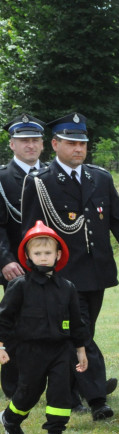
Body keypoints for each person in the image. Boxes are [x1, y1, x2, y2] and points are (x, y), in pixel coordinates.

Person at [20, 112, 119, 421]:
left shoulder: (100, 177)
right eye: (72, 143)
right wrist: (37, 273)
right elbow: (30, 231)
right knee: (81, 334)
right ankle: (97, 397)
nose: (78, 149)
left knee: (79, 335)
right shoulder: (40, 183)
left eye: (82, 144)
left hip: (97, 272)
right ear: (55, 144)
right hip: (62, 276)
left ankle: (70, 393)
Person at [0, 222, 88, 434]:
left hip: (61, 350)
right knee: (28, 393)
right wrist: (1, 346)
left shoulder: (67, 287)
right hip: (29, 351)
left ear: (58, 255)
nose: (42, 257)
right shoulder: (18, 286)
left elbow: (77, 322)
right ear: (27, 255)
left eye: (47, 253)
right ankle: (11, 419)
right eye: (37, 253)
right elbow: (4, 318)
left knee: (61, 391)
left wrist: (80, 349)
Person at [0, 114, 47, 399]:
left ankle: (73, 383)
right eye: (24, 141)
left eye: (35, 140)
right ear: (12, 144)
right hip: (16, 266)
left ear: (43, 144)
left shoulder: (54, 173)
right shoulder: (2, 178)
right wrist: (5, 260)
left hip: (54, 263)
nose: (30, 145)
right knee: (16, 324)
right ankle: (14, 384)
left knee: (62, 322)